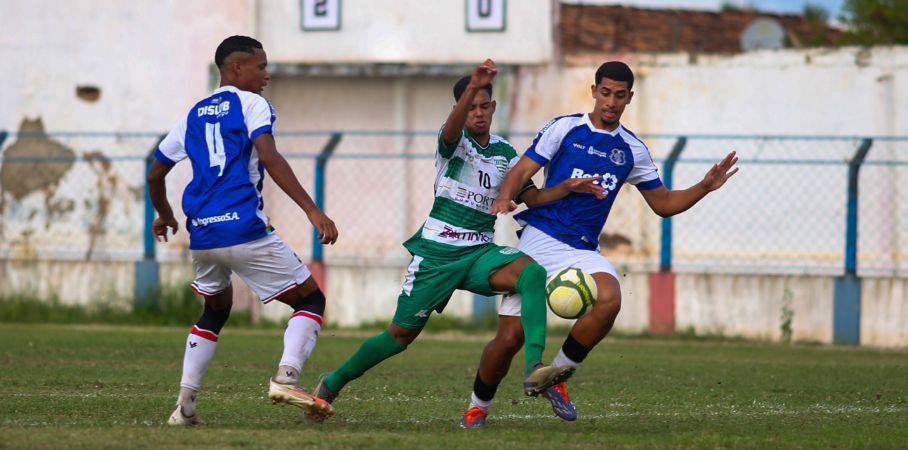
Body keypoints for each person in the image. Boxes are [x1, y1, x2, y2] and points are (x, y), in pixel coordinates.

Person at [308, 60, 603, 427]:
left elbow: (532, 197)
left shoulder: (506, 153)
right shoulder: (453, 142)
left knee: (532, 274)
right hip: (438, 253)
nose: (478, 114)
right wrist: (469, 92)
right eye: (470, 107)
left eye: (484, 106)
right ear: (460, 109)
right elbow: (450, 130)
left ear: (493, 108)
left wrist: (565, 189)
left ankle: (536, 369)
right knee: (399, 337)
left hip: (480, 251)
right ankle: (331, 383)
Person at [481, 61, 739, 421]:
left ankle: (555, 376)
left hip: (583, 248)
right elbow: (522, 170)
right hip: (540, 238)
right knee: (509, 339)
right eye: (605, 92)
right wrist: (505, 197)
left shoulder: (632, 150)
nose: (611, 102)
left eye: (620, 95)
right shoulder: (565, 128)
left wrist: (704, 187)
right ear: (594, 91)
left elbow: (663, 204)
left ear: (629, 98)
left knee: (610, 298)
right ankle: (478, 408)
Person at [147, 35, 340, 426]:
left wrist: (164, 214)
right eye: (261, 66)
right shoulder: (253, 104)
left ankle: (184, 407)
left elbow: (155, 172)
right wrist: (312, 210)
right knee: (310, 300)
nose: (267, 75)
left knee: (215, 309)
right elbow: (268, 155)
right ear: (237, 68)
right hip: (243, 228)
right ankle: (287, 378)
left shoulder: (192, 115)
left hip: (201, 234)